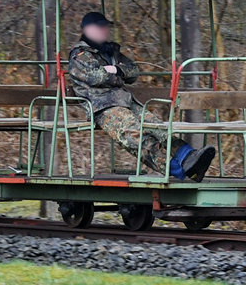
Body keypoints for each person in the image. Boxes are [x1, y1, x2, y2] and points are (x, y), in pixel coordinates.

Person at [67, 11, 215, 181]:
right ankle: (178, 169)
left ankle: (189, 157)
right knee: (134, 136)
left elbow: (133, 71)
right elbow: (96, 77)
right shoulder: (80, 55)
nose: (105, 30)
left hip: (125, 100)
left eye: (106, 27)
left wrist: (116, 70)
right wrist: (117, 76)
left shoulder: (110, 51)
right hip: (102, 106)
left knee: (157, 127)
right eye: (100, 27)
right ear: (88, 29)